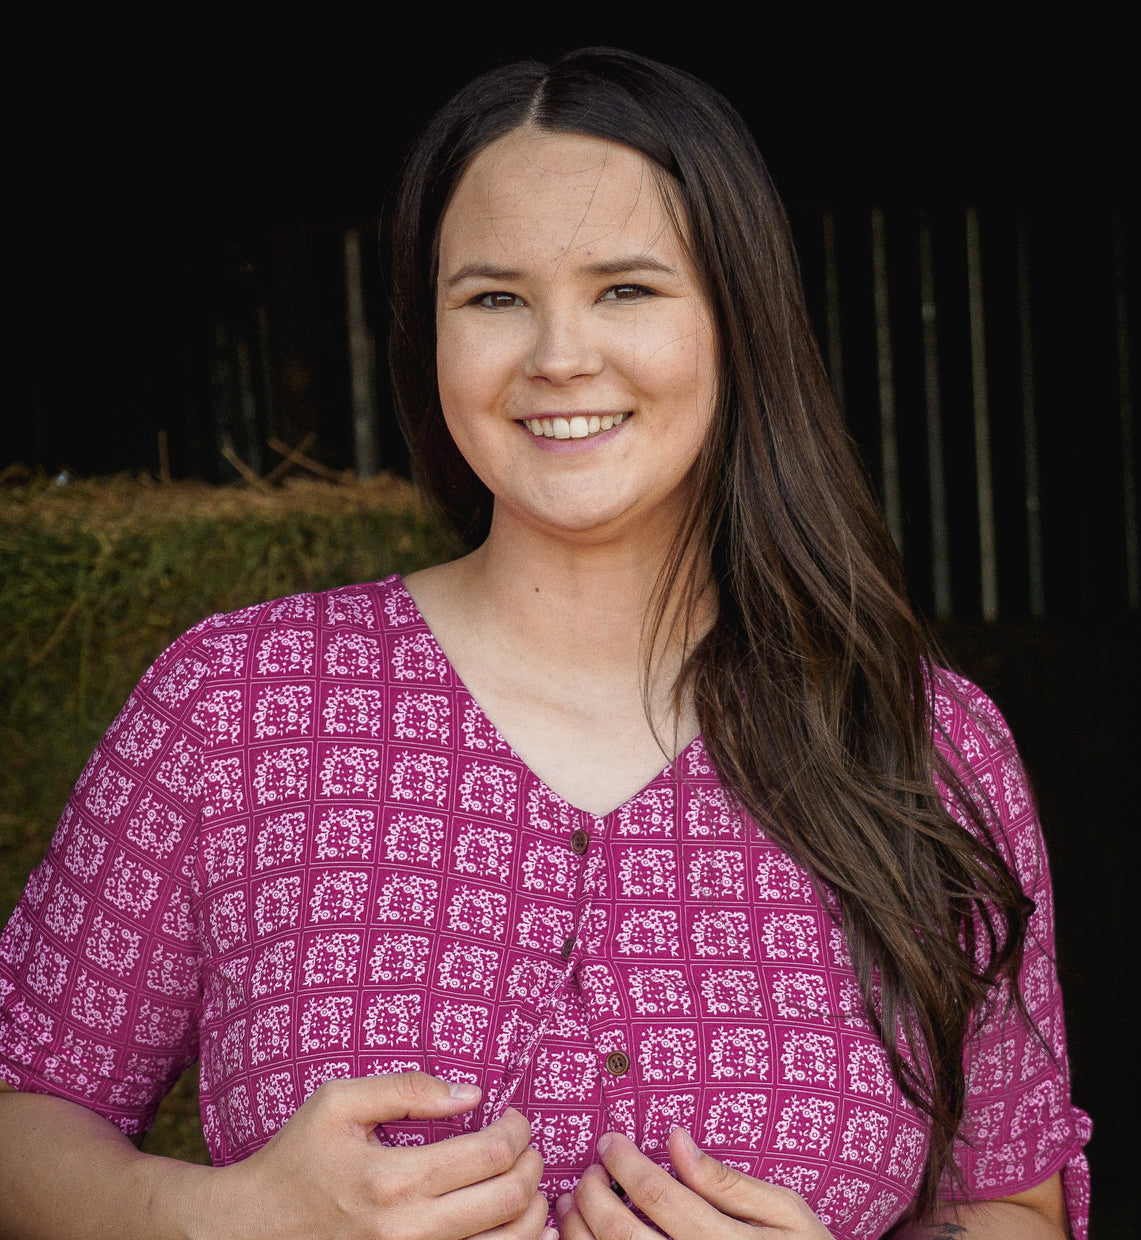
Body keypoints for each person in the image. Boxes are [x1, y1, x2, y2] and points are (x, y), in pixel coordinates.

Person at [0, 47, 1089, 1240]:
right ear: (428, 333)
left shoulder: (921, 742)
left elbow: (1012, 1201)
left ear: (739, 318)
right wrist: (215, 1220)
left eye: (626, 288)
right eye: (494, 297)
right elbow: (22, 1104)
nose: (558, 355)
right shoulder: (241, 704)